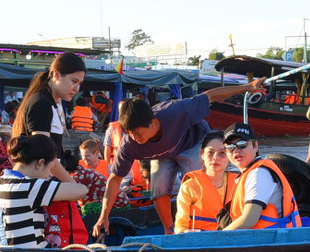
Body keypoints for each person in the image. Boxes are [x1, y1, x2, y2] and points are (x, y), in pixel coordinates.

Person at [93, 76, 266, 237]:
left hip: (192, 142)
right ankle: (170, 231)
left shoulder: (176, 111)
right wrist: (103, 216)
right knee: (158, 186)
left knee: (199, 182)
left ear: (152, 123)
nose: (135, 139)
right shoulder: (130, 144)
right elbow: (114, 180)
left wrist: (247, 87)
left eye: (138, 134)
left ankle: (214, 225)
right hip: (163, 153)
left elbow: (210, 96)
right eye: (130, 134)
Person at [0, 134, 88, 248]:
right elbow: (81, 190)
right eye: (50, 169)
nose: (48, 175)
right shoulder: (30, 187)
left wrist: (50, 163)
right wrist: (55, 164)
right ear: (40, 163)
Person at [221, 123, 299, 231]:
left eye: (242, 144)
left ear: (255, 146)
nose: (236, 150)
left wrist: (216, 237)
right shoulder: (247, 174)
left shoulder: (259, 174)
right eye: (230, 147)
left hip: (272, 241)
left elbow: (249, 219)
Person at [174, 129, 237, 232]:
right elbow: (180, 225)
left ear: (229, 155)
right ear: (202, 154)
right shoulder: (190, 186)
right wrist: (184, 233)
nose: (215, 158)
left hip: (231, 239)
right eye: (210, 153)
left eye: (222, 153)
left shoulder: (238, 183)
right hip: (200, 242)